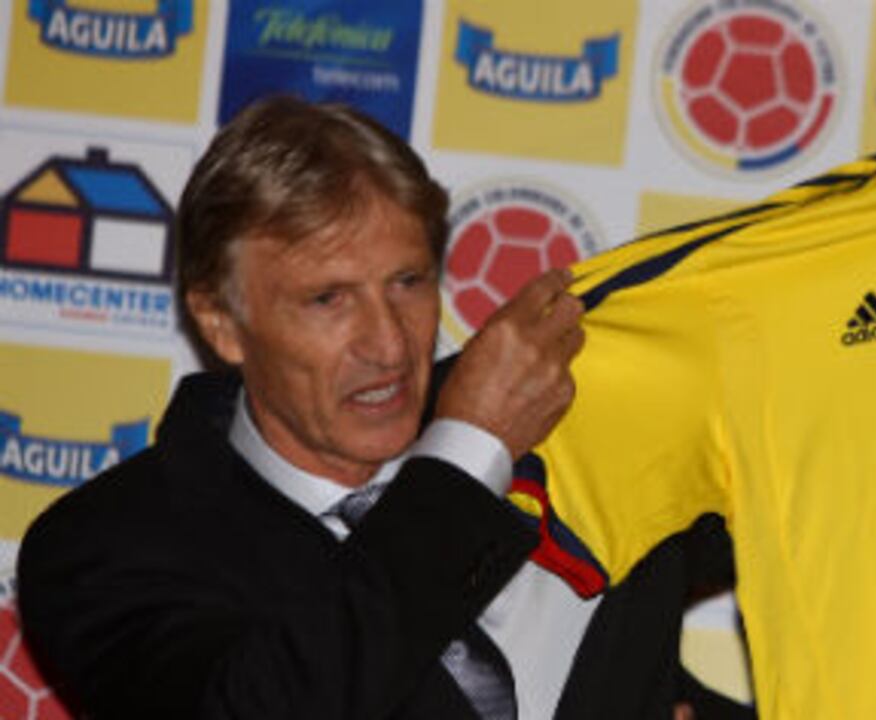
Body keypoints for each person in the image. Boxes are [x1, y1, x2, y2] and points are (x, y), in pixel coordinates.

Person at [13, 95, 672, 719]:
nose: (389, 344)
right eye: (328, 299)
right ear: (221, 322)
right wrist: (468, 459)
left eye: (407, 282)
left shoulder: (574, 436)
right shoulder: (102, 548)